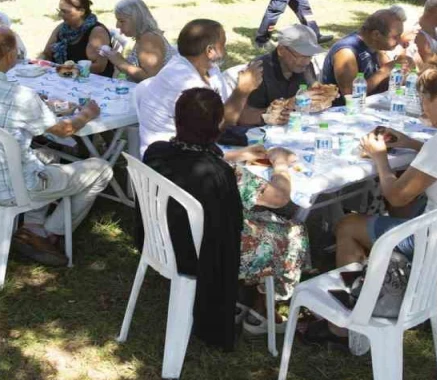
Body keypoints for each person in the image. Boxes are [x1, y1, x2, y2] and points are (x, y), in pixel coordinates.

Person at [308, 58, 437, 345]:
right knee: (403, 209)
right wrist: (410, 144)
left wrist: (380, 158)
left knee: (348, 225)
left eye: (425, 102)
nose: (423, 109)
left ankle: (345, 325)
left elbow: (394, 193)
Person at [143, 87, 310, 350]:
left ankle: (244, 295)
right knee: (293, 232)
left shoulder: (157, 151)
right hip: (205, 256)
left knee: (252, 218)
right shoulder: (222, 174)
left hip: (164, 238)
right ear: (218, 126)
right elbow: (279, 197)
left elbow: (194, 154)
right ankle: (263, 309)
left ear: (178, 120)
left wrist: (237, 156)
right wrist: (280, 164)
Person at [0, 26, 111, 267]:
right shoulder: (20, 96)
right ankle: (50, 232)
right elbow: (65, 130)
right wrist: (87, 114)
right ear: (11, 55)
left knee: (47, 155)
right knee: (102, 168)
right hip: (15, 186)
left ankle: (32, 226)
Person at [137, 19, 261, 147]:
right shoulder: (187, 82)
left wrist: (266, 114)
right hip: (170, 156)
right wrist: (242, 91)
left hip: (194, 147)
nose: (225, 51)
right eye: (223, 45)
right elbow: (219, 127)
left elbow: (226, 111)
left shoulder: (210, 69)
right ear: (210, 51)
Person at [237, 24, 331, 127]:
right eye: (301, 56)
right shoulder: (259, 71)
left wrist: (323, 97)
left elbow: (311, 99)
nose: (306, 61)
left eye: (310, 56)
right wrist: (285, 106)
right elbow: (242, 117)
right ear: (281, 50)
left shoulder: (306, 66)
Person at [320, 9, 410, 104]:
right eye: (396, 37)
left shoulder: (374, 44)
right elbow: (351, 94)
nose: (400, 41)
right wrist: (385, 70)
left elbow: (387, 80)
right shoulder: (346, 53)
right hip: (342, 112)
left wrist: (401, 69)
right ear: (376, 35)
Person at [100, 0, 175, 82]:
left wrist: (120, 62)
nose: (117, 25)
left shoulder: (149, 39)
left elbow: (151, 80)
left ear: (136, 20)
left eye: (122, 21)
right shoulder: (143, 37)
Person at [41, 0, 113, 77]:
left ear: (81, 11)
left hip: (89, 82)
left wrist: (67, 71)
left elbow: (99, 67)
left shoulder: (97, 32)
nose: (60, 15)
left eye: (65, 11)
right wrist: (38, 64)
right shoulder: (62, 28)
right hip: (62, 78)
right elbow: (46, 53)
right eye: (60, 10)